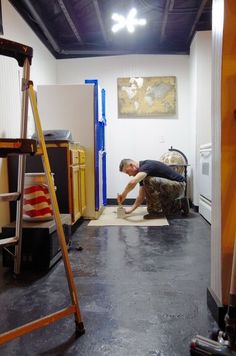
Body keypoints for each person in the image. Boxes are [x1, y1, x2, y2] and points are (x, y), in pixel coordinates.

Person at [117, 158, 188, 219]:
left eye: (127, 172)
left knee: (147, 180)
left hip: (179, 185)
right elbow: (141, 196)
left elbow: (132, 182)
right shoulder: (142, 173)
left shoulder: (146, 166)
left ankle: (155, 212)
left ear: (132, 165)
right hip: (172, 187)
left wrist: (124, 195)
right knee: (165, 210)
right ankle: (181, 203)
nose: (129, 175)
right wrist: (130, 210)